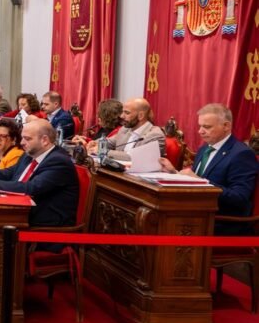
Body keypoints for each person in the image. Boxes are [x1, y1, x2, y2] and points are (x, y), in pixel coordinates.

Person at [0, 118, 79, 233]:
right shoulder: (29, 155)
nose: (22, 142)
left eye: (27, 139)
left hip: (44, 228)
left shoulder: (59, 161)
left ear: (44, 140)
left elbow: (30, 188)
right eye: (22, 137)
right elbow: (8, 173)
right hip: (19, 214)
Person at [160, 104, 259, 233]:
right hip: (197, 213)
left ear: (226, 126)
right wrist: (175, 173)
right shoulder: (204, 149)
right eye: (200, 126)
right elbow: (195, 182)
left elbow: (239, 198)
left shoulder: (241, 154)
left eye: (206, 127)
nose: (200, 131)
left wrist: (201, 182)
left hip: (221, 222)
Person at [87, 98, 165, 161]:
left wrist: (103, 151)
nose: (121, 116)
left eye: (127, 113)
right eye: (122, 112)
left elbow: (136, 157)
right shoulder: (125, 129)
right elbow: (109, 142)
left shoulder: (155, 135)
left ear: (141, 116)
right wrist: (94, 143)